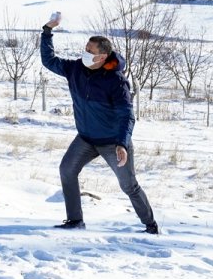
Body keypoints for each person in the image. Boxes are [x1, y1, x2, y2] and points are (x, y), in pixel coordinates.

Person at [40, 13, 159, 234]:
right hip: (86, 138)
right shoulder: (75, 69)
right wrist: (47, 30)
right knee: (67, 170)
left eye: (90, 51)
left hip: (112, 142)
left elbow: (127, 115)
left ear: (103, 56)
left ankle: (151, 225)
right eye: (85, 48)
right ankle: (75, 220)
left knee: (128, 185)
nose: (85, 53)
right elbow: (49, 61)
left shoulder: (116, 81)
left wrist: (122, 144)